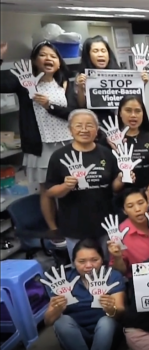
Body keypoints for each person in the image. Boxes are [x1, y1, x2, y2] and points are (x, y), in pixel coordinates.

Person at [0, 41, 74, 236]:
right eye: (43, 55)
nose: (48, 59)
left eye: (53, 56)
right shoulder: (24, 83)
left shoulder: (65, 82)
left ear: (59, 62)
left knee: (72, 186)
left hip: (68, 142)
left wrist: (50, 105)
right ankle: (54, 230)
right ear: (34, 60)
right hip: (42, 145)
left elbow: (74, 113)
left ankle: (73, 224)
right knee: (47, 190)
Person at [45, 109, 133, 261]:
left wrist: (121, 178)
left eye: (89, 125)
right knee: (83, 267)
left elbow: (114, 189)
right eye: (79, 125)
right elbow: (50, 191)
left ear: (97, 130)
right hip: (74, 225)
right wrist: (66, 186)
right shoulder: (59, 156)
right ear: (70, 130)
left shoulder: (107, 154)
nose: (84, 130)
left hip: (105, 224)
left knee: (107, 263)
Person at [44, 239, 126, 350]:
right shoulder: (64, 280)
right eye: (82, 261)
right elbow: (48, 321)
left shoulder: (112, 276)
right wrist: (56, 310)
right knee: (61, 321)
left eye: (94, 260)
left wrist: (111, 309)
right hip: (76, 333)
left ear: (102, 260)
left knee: (106, 321)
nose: (88, 266)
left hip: (107, 332)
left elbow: (120, 312)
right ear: (74, 262)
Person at [74, 36, 149, 123]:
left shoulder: (121, 74)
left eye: (103, 51)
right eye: (95, 51)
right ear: (88, 55)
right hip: (95, 122)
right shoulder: (82, 76)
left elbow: (132, 98)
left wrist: (142, 83)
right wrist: (80, 87)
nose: (100, 54)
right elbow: (81, 105)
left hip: (120, 121)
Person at [109, 188, 149, 278]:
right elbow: (119, 272)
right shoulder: (119, 235)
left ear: (147, 203)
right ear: (124, 211)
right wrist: (117, 257)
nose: (137, 209)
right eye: (130, 206)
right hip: (142, 280)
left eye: (140, 203)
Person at [115, 96, 149, 200]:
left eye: (138, 111)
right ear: (120, 113)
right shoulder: (112, 140)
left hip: (146, 194)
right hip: (120, 197)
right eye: (128, 110)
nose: (133, 115)